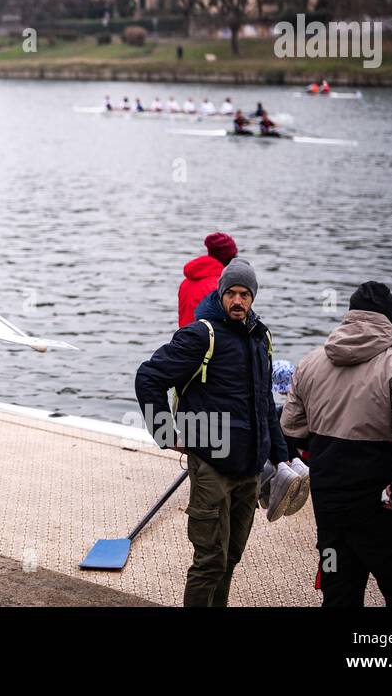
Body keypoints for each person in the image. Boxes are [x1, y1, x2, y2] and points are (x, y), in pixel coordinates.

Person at [137, 259, 300, 607]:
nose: (238, 301)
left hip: (250, 469)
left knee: (230, 560)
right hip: (211, 463)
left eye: (245, 294)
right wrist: (164, 432)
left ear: (253, 297)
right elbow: (148, 377)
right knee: (209, 562)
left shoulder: (261, 337)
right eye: (231, 293)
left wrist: (281, 454)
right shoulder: (201, 336)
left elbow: (264, 405)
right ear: (221, 293)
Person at [281, 282, 392, 607]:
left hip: (331, 511)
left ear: (349, 315)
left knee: (337, 595)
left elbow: (291, 432)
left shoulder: (310, 363)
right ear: (389, 320)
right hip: (384, 511)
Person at [177, 232, 236, 328]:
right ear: (229, 259)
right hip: (208, 341)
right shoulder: (220, 286)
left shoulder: (186, 282)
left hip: (184, 339)